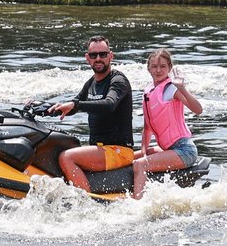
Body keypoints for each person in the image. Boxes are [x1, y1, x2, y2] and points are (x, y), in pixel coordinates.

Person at [47, 35, 134, 193]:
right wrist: (44, 108)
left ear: (111, 56)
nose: (98, 58)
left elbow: (109, 104)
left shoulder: (118, 80)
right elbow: (73, 106)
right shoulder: (91, 83)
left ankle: (85, 201)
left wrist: (76, 105)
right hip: (99, 148)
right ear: (87, 58)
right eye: (93, 55)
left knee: (66, 157)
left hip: (118, 150)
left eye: (103, 54)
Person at [131, 49, 204, 199]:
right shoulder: (149, 91)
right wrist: (144, 151)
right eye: (154, 66)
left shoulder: (172, 89)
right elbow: (147, 127)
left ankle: (137, 201)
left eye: (163, 66)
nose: (158, 70)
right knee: (131, 156)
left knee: (139, 164)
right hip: (168, 148)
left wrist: (182, 88)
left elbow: (198, 110)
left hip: (184, 150)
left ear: (170, 68)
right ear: (148, 68)